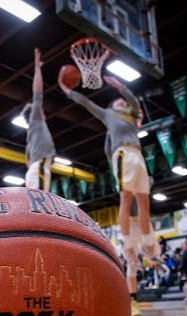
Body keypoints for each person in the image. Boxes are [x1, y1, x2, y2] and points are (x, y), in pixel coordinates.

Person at [58, 73, 157, 267]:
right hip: (122, 155)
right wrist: (69, 92)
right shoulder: (108, 114)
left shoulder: (132, 114)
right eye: (118, 101)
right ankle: (128, 243)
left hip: (137, 154)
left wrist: (120, 86)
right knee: (126, 198)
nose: (121, 101)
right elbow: (87, 103)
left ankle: (147, 241)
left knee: (144, 201)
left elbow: (133, 101)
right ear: (112, 106)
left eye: (123, 101)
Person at [23, 48, 56, 192]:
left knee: (35, 205)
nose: (41, 109)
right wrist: (37, 68)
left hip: (35, 169)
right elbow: (38, 93)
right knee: (41, 205)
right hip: (39, 167)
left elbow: (27, 160)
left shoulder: (31, 136)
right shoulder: (35, 119)